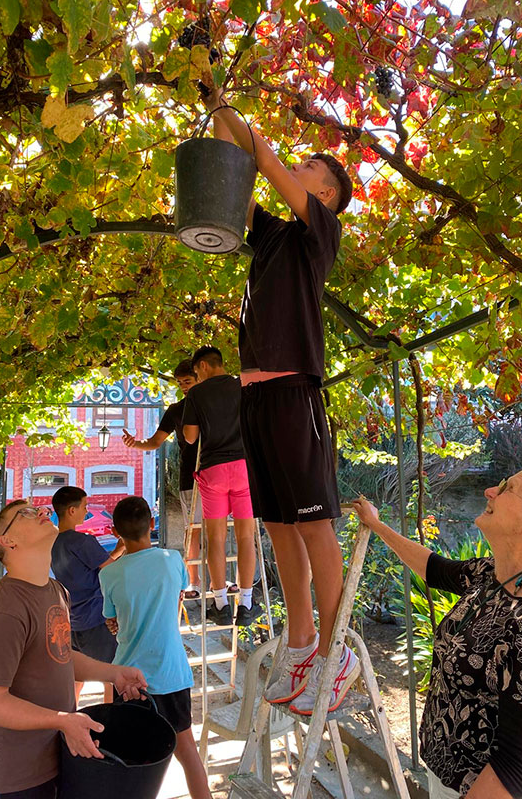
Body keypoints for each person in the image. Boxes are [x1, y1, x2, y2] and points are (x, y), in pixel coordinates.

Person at [202, 77, 356, 714]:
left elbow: (261, 159)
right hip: (256, 398)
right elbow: (234, 168)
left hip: (296, 395)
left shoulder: (319, 230)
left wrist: (224, 96)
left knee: (314, 523)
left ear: (324, 194)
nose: (302, 161)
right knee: (278, 526)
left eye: (313, 165)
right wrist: (215, 112)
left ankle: (336, 648)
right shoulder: (269, 238)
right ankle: (300, 643)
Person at [352, 467, 522, 799]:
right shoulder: (497, 575)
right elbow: (435, 569)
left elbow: (515, 767)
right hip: (444, 774)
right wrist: (376, 525)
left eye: (507, 488)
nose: (490, 491)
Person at [0, 499, 148, 799]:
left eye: (39, 508)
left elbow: (61, 654)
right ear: (8, 541)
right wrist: (61, 719)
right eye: (27, 513)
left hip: (56, 757)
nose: (43, 512)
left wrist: (115, 674)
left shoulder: (55, 591)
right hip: (14, 776)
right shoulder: (4, 610)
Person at [99, 496, 211, 799]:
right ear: (152, 524)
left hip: (127, 678)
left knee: (128, 759)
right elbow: (178, 596)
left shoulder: (108, 574)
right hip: (171, 672)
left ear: (114, 531)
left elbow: (112, 620)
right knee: (188, 754)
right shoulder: (172, 559)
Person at [181, 345, 260, 628]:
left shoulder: (197, 394)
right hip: (244, 469)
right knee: (245, 537)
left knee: (214, 538)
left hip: (213, 470)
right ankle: (248, 603)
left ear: (202, 365)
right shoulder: (243, 385)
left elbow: (190, 438)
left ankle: (220, 603)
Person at [123, 359, 204, 595]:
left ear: (200, 376)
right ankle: (194, 582)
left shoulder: (214, 403)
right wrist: (135, 444)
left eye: (187, 381)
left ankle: (220, 584)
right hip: (191, 475)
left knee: (221, 530)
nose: (183, 387)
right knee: (194, 529)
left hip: (218, 472)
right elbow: (155, 441)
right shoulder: (176, 409)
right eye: (179, 383)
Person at [48, 486, 123, 703]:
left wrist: (118, 550)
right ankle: (110, 725)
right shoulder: (82, 541)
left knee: (75, 676)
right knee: (111, 675)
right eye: (84, 506)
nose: (86, 511)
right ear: (71, 510)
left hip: (71, 620)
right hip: (96, 618)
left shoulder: (53, 542)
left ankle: (67, 720)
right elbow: (111, 569)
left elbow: (100, 562)